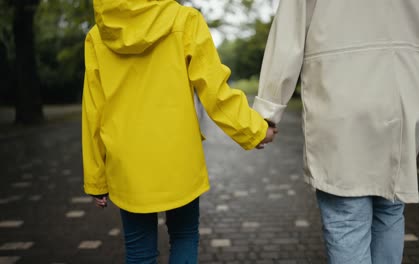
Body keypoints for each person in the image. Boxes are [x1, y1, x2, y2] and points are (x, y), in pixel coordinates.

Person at [253, 0, 419, 263]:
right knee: (390, 209)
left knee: (346, 215)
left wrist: (268, 112)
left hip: (339, 101)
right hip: (404, 100)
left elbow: (288, 34)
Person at [81, 0, 277, 263]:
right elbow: (215, 92)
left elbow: (93, 111)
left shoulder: (98, 35)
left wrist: (96, 179)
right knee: (184, 236)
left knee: (139, 251)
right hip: (179, 159)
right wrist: (255, 130)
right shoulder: (184, 20)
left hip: (127, 166)